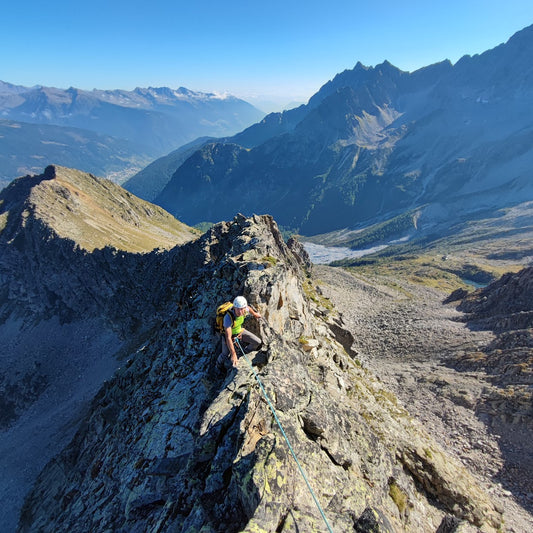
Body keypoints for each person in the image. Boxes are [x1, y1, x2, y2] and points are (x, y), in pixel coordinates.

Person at [217, 296, 262, 369]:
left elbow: (248, 308)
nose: (240, 312)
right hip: (229, 336)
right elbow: (228, 338)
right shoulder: (228, 318)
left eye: (242, 309)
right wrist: (233, 354)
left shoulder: (245, 309)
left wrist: (254, 314)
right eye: (238, 309)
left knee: (257, 342)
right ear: (234, 307)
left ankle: (242, 354)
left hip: (239, 332)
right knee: (225, 354)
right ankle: (218, 366)